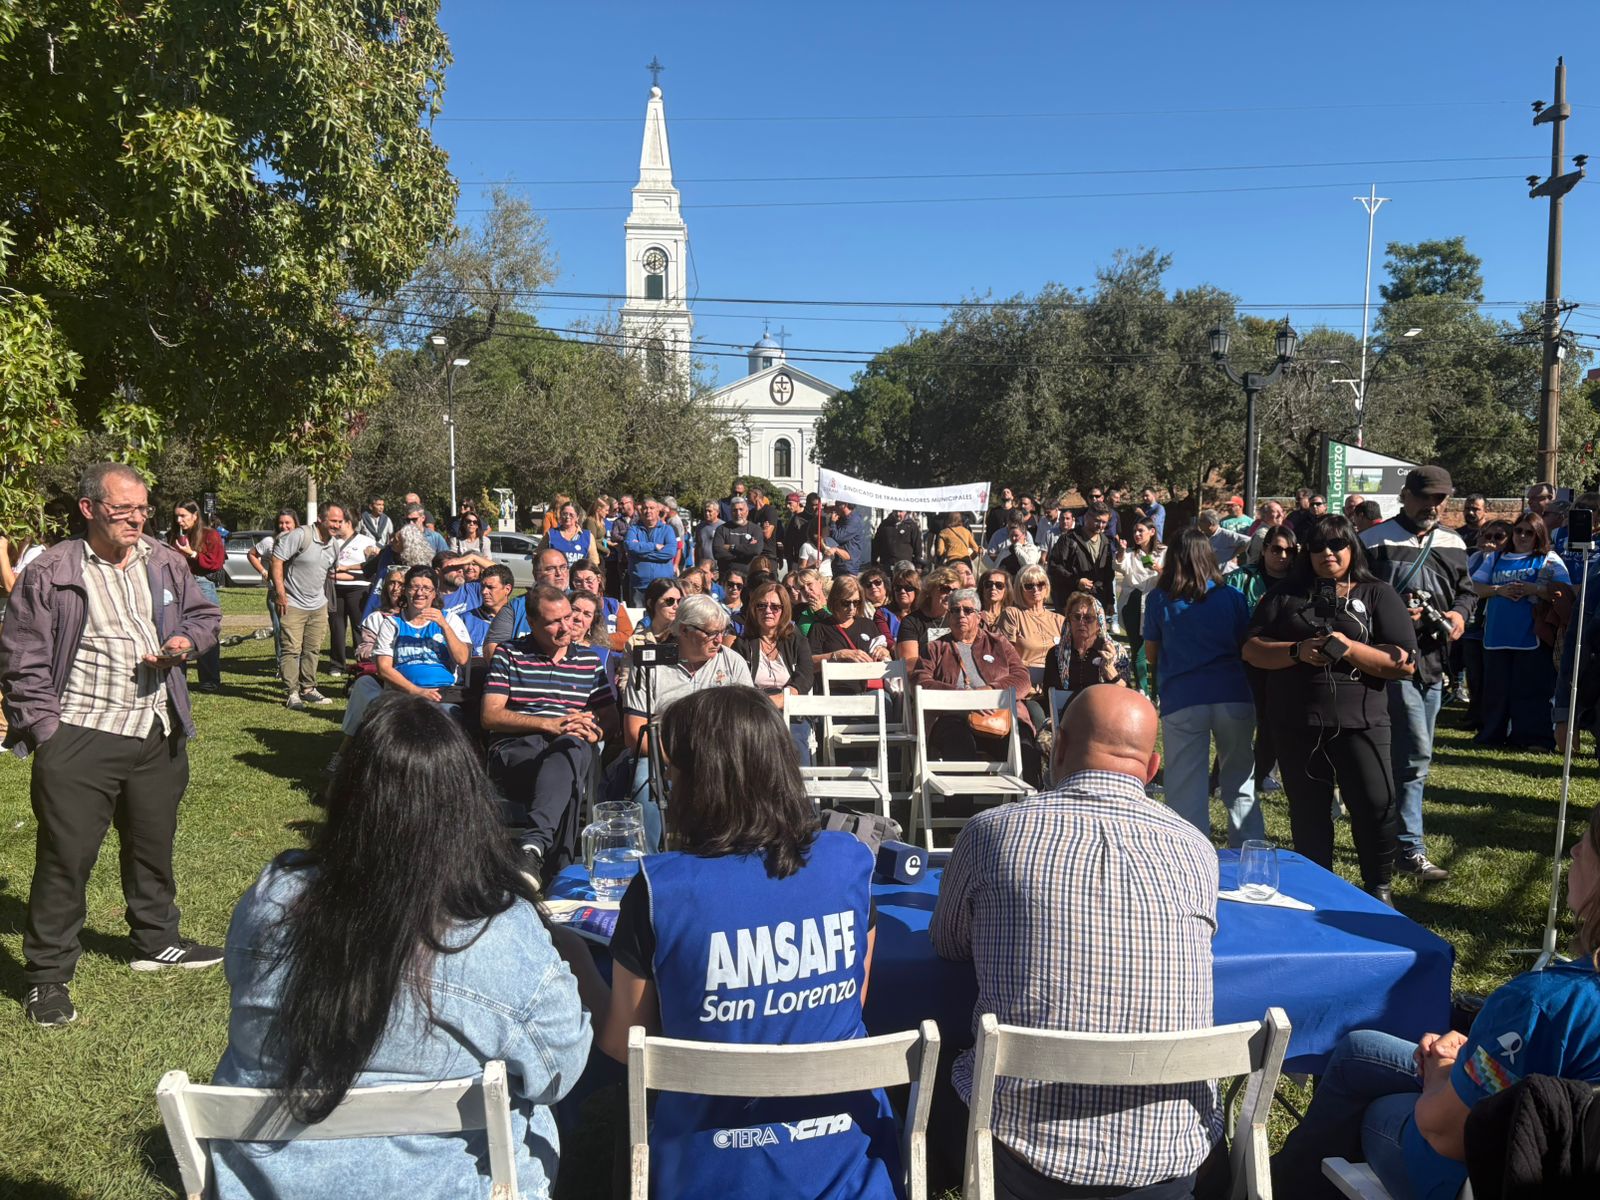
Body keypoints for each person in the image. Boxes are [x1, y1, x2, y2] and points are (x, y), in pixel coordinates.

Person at [209, 696, 591, 1196]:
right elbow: (559, 1072)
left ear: (348, 793)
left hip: (269, 1182)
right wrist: (572, 958)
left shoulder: (274, 895)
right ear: (468, 802)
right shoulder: (496, 929)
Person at [593, 687, 901, 1199]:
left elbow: (627, 1045)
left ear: (699, 782)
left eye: (674, 773)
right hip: (850, 1160)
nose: (669, 785)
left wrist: (580, 968)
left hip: (706, 1170)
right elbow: (852, 1001)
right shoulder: (850, 861)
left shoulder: (660, 889)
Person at [931, 686, 1221, 1200]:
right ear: (1152, 768)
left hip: (1016, 1156)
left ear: (1058, 747)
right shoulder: (1197, 849)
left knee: (924, 1075)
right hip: (1171, 1165)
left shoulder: (990, 832)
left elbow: (949, 943)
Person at [1271, 801, 1600, 1200]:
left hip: (1496, 1174)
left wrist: (1443, 1068)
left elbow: (1446, 1132)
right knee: (1360, 1050)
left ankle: (1282, 1187)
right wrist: (1472, 1054)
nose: (1575, 851)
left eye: (1587, 842)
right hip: (1567, 1144)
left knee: (1379, 1109)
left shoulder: (1541, 1004)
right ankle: (1287, 1179)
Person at [0, 462, 223, 1026]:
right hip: (80, 732)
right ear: (89, 509)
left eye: (142, 508)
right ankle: (48, 977)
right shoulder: (51, 570)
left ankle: (156, 940)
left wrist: (184, 640)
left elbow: (204, 614)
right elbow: (21, 658)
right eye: (123, 509)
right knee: (66, 858)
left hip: (157, 730)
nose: (135, 519)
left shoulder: (165, 560)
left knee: (153, 844)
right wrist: (46, 732)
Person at [1243, 515, 1418, 902]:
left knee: (1375, 806)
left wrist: (1349, 648)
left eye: (1337, 544)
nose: (1328, 553)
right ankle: (1318, 891)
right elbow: (1252, 649)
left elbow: (1404, 662)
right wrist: (1297, 651)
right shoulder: (1284, 595)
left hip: (1362, 722)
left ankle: (1378, 889)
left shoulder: (1377, 593)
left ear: (1353, 547)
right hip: (1297, 722)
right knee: (1308, 812)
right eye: (1318, 546)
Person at [1361, 466, 1473, 884]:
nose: (1433, 506)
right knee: (1415, 755)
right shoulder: (1374, 540)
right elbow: (1357, 596)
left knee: (1409, 757)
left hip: (1433, 662)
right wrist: (1393, 617)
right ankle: (1407, 847)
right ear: (1405, 495)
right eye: (1425, 497)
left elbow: (1466, 592)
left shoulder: (1453, 541)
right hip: (1391, 662)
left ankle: (1391, 838)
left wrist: (1457, 616)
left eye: (1440, 498)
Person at [482, 585, 617, 881]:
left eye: (568, 617)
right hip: (518, 750)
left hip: (569, 748)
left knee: (570, 749)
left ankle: (532, 848)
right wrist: (549, 723)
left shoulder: (589, 661)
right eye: (554, 622)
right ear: (532, 623)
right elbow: (490, 715)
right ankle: (560, 875)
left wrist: (594, 732)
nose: (566, 626)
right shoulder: (509, 654)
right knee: (570, 766)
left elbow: (610, 719)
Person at [1142, 528, 1261, 846]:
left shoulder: (1159, 598)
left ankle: (1190, 854)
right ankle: (1249, 851)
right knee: (1240, 781)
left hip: (1184, 697)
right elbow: (1245, 646)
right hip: (1233, 694)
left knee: (1185, 787)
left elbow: (1151, 653)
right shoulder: (1233, 597)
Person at [619, 595, 754, 847]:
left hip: (720, 754)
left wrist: (710, 757)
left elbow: (749, 723)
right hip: (662, 754)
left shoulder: (731, 662)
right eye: (710, 633)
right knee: (644, 785)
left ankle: (728, 856)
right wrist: (678, 759)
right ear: (683, 630)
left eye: (722, 632)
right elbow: (634, 734)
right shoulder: (650, 663)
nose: (719, 640)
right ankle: (648, 863)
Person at [911, 586, 1042, 784]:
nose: (960, 615)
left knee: (1024, 745)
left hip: (998, 717)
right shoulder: (935, 648)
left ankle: (1028, 800)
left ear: (979, 616)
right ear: (948, 616)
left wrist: (990, 692)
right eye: (955, 610)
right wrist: (965, 698)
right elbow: (921, 682)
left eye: (967, 610)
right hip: (952, 718)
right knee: (958, 744)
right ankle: (959, 803)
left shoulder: (998, 643)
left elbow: (1022, 678)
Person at [1472, 512, 1568, 750]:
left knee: (1531, 689)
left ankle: (1533, 738)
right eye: (1518, 531)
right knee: (1496, 690)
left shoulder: (1548, 559)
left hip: (1532, 635)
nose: (1523, 536)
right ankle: (1492, 735)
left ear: (1539, 535)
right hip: (1496, 634)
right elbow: (1475, 587)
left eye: (1529, 532)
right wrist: (1499, 590)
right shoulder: (1496, 558)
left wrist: (1534, 589)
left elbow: (1564, 591)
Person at [1226, 524, 1298, 790]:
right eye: (1276, 549)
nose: (1282, 556)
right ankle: (1224, 774)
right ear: (1265, 549)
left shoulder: (1299, 581)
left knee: (1273, 721)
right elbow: (1227, 617)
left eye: (1289, 551)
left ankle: (1263, 771)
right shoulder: (1241, 579)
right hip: (1246, 658)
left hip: (1285, 658)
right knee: (1239, 721)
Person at [271, 500, 349, 711]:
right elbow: (277, 560)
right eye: (333, 521)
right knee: (291, 649)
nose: (337, 525)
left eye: (340, 521)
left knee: (313, 649)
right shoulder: (300, 535)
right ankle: (292, 692)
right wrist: (280, 593)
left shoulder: (334, 544)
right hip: (292, 603)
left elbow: (327, 573)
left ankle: (308, 688)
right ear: (320, 519)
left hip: (318, 605)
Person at [372, 566, 471, 719]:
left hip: (443, 694)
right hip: (403, 694)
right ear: (405, 591)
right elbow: (383, 668)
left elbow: (463, 659)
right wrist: (417, 691)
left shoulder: (450, 619)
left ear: (434, 593)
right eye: (414, 587)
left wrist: (444, 626)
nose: (420, 593)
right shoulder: (392, 623)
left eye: (426, 588)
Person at [996, 564, 1064, 730]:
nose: (1036, 589)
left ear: (1046, 587)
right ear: (1020, 589)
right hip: (1028, 692)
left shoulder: (1059, 620)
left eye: (1040, 584)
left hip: (1056, 690)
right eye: (1029, 586)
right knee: (1041, 723)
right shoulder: (1013, 614)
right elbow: (1005, 657)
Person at [169, 500, 227, 693]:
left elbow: (216, 563)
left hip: (201, 583)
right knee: (176, 629)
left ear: (195, 516)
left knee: (206, 631)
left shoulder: (210, 535)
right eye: (177, 516)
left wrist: (191, 553)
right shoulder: (174, 535)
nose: (179, 520)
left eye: (183, 516)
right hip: (177, 584)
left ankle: (209, 679)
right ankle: (178, 679)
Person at [1461, 521, 1510, 732]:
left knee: (1491, 675)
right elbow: (1469, 585)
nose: (1490, 541)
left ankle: (1489, 717)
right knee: (1474, 674)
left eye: (1498, 537)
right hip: (1472, 625)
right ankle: (1475, 712)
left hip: (1494, 624)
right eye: (1487, 536)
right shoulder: (1474, 557)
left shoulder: (1502, 560)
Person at [1115, 518, 1165, 696]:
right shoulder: (1130, 554)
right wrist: (1121, 551)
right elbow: (1119, 565)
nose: (1137, 534)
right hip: (1132, 603)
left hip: (1155, 604)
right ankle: (1142, 690)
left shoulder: (1164, 552)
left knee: (1156, 648)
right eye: (1135, 531)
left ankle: (1158, 692)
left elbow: (1173, 576)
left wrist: (1158, 569)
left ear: (1152, 532)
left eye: (1141, 531)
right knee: (1137, 648)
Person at [808, 575, 891, 677]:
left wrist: (884, 652)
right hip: (833, 685)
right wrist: (838, 655)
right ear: (835, 601)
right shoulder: (819, 627)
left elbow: (882, 655)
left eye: (856, 602)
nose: (851, 608)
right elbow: (808, 664)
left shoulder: (868, 624)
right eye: (845, 603)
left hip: (868, 684)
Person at [615, 578, 684, 698]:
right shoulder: (635, 642)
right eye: (670, 601)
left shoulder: (684, 637)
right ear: (651, 603)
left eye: (679, 601)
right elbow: (625, 682)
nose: (676, 606)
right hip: (643, 703)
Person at [328, 514, 379, 676]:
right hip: (335, 588)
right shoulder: (331, 541)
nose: (336, 526)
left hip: (359, 589)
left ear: (349, 523)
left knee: (359, 626)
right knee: (336, 626)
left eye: (340, 522)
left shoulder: (366, 541)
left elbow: (371, 566)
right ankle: (337, 664)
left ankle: (363, 662)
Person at [1048, 503, 1116, 612]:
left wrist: (1110, 601)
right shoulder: (1068, 539)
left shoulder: (1105, 542)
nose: (1100, 525)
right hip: (1071, 603)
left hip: (1097, 603)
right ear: (1086, 517)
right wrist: (1076, 581)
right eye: (1097, 521)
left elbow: (1108, 575)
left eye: (1104, 522)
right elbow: (1054, 567)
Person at [895, 566, 958, 666]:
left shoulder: (958, 619)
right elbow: (909, 663)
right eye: (945, 589)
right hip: (924, 674)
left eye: (955, 591)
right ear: (930, 591)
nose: (950, 594)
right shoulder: (911, 622)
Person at [625, 497, 679, 606]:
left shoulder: (667, 529)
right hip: (639, 585)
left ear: (658, 511)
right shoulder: (633, 529)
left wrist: (640, 553)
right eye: (645, 508)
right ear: (641, 510)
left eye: (651, 508)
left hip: (663, 587)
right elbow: (630, 546)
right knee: (637, 615)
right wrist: (654, 546)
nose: (648, 511)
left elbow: (670, 552)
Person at [713, 496, 767, 582]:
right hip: (727, 579)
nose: (738, 513)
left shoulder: (755, 529)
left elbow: (756, 550)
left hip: (749, 579)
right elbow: (717, 552)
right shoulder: (722, 529)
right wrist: (745, 554)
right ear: (730, 512)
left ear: (747, 511)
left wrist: (731, 547)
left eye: (741, 509)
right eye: (734, 510)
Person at [541, 501, 598, 568]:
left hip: (578, 574)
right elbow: (538, 556)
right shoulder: (551, 534)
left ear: (577, 517)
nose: (567, 517)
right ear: (560, 515)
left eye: (571, 515)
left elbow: (594, 562)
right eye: (565, 514)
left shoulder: (587, 536)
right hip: (557, 574)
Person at [1198, 508, 1249, 574]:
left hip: (1225, 574)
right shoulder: (1201, 536)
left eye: (1201, 521)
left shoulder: (1226, 535)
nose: (1199, 523)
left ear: (1210, 523)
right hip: (1208, 574)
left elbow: (1248, 541)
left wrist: (1235, 553)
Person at [830, 501, 870, 576]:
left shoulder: (853, 520)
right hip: (839, 562)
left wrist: (832, 523)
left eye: (837, 505)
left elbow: (838, 538)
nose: (835, 507)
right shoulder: (842, 518)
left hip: (848, 565)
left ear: (844, 505)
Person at [976, 566, 1013, 633]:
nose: (993, 588)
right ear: (982, 588)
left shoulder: (1011, 616)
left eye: (999, 585)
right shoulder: (974, 614)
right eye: (988, 584)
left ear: (1006, 590)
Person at [694, 499, 721, 570]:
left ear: (717, 512)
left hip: (718, 568)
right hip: (702, 567)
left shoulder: (723, 526)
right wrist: (696, 565)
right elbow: (697, 547)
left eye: (709, 511)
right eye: (705, 511)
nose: (707, 513)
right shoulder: (700, 527)